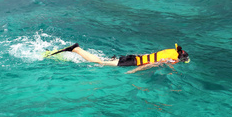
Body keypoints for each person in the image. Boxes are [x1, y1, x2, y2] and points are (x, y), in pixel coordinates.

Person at [45, 43, 190, 74]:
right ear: (177, 59)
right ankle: (76, 49)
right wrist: (132, 72)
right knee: (99, 62)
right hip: (130, 62)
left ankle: (74, 51)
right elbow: (150, 65)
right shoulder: (167, 60)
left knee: (104, 60)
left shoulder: (170, 51)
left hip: (133, 57)